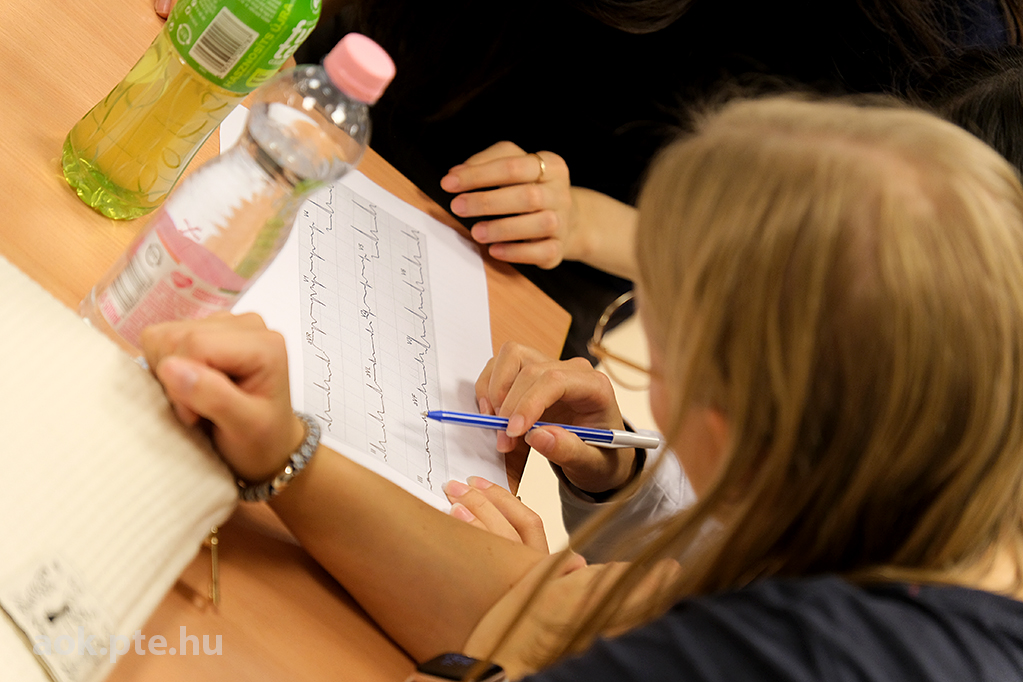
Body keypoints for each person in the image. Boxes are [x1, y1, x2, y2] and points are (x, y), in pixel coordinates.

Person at [140, 96, 1023, 680]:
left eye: (651, 343)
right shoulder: (936, 558)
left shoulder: (767, 653)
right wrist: (284, 452)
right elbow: (536, 610)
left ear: (730, 434)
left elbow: (540, 627)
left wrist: (516, 641)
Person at [156, 0, 1019, 360]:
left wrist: (592, 224)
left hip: (531, 257)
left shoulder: (929, 42)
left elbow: (811, 268)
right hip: (373, 85)